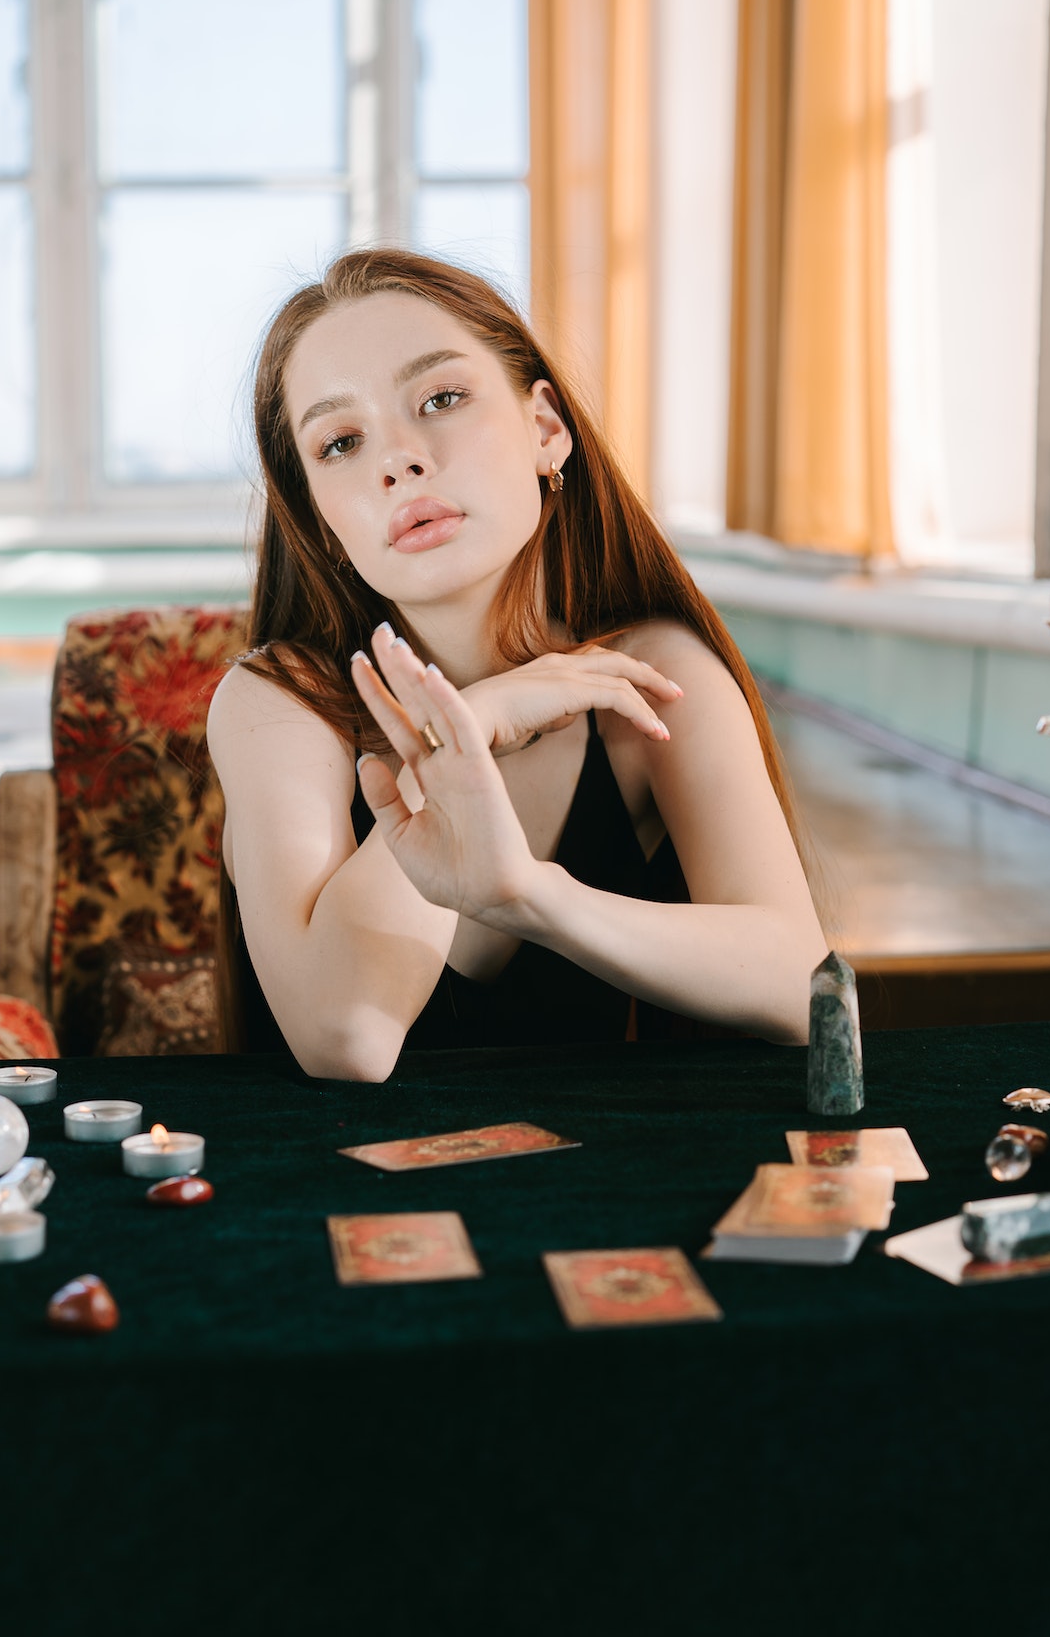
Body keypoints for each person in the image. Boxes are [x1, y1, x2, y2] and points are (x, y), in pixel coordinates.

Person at [208, 248, 826, 1079]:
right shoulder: (278, 704)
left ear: (545, 429)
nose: (398, 460)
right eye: (342, 442)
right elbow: (347, 1039)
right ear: (323, 523)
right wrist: (479, 722)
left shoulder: (650, 679)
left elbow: (801, 986)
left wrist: (531, 896)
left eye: (441, 398)